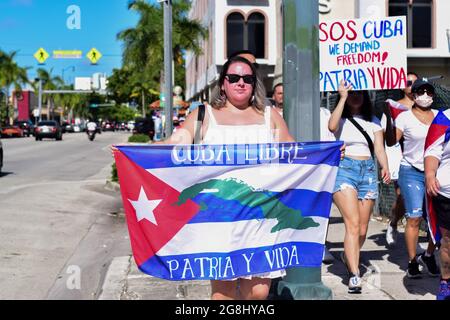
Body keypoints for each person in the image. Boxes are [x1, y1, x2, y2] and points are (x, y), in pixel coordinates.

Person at [154, 56, 295, 300]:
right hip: (220, 217)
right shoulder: (204, 115)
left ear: (254, 84)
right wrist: (134, 152)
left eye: (247, 79)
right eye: (234, 78)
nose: (241, 83)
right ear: (223, 84)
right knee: (224, 292)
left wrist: (329, 152)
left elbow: (295, 153)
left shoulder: (269, 115)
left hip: (261, 214)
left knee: (259, 292)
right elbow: (175, 145)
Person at [328, 81, 390, 294]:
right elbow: (331, 127)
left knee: (362, 229)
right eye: (351, 93)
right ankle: (354, 275)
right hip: (345, 170)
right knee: (352, 224)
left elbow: (379, 149)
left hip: (368, 172)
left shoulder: (373, 122)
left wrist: (385, 167)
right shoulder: (341, 119)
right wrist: (342, 97)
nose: (355, 96)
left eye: (359, 93)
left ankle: (349, 255)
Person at [395, 79, 440, 279]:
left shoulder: (440, 117)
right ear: (413, 95)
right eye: (420, 91)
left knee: (436, 219)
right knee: (415, 217)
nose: (425, 95)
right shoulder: (404, 118)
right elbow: (391, 141)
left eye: (429, 92)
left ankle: (429, 255)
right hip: (411, 170)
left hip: (437, 173)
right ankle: (413, 261)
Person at [382, 72, 419, 246]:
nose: (412, 85)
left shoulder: (425, 107)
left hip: (420, 155)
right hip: (399, 156)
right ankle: (394, 222)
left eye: (415, 82)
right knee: (402, 194)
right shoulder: (393, 107)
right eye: (409, 82)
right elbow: (385, 136)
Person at [424, 108, 450, 300]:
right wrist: (430, 173)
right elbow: (432, 149)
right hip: (447, 191)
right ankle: (446, 281)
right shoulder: (445, 117)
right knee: (448, 242)